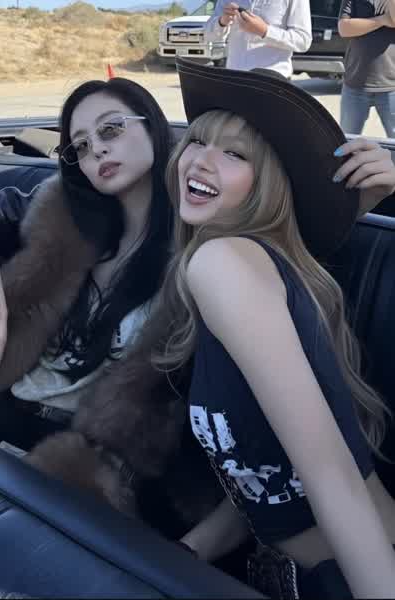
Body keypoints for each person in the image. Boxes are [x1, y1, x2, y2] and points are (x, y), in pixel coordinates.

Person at [143, 58, 395, 597]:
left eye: (235, 154)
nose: (200, 160)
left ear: (269, 184)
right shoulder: (251, 267)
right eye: (197, 140)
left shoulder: (223, 263)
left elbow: (331, 475)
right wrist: (187, 552)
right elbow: (267, 481)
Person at [0, 77, 174, 447]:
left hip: (75, 455)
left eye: (111, 129)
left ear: (152, 125)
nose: (97, 149)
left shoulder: (191, 249)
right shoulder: (60, 215)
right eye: (81, 145)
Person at [204, 0, 312, 77]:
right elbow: (209, 36)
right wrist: (222, 21)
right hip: (235, 79)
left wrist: (265, 31)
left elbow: (303, 40)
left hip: (273, 82)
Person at [338, 0, 395, 138]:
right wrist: (381, 20)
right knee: (346, 141)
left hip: (392, 86)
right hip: (355, 83)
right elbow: (344, 29)